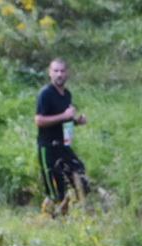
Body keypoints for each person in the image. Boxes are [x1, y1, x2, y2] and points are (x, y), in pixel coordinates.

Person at [34, 58, 89, 214]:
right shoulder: (45, 94)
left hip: (63, 146)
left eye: (62, 71)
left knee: (79, 174)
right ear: (50, 73)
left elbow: (65, 119)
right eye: (56, 71)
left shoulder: (66, 95)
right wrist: (64, 116)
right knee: (55, 190)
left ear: (67, 73)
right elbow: (39, 120)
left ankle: (68, 211)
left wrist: (77, 121)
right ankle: (47, 218)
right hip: (48, 147)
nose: (59, 74)